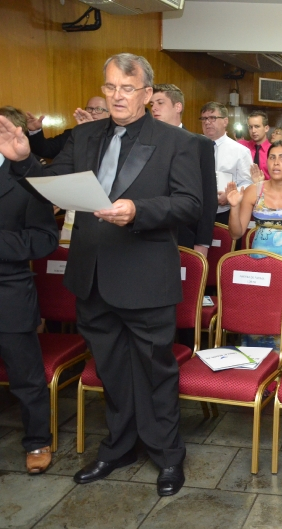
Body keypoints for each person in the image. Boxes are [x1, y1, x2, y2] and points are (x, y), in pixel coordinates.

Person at [1, 53, 203, 496]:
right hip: (91, 275)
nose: (117, 96)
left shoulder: (177, 142)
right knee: (110, 369)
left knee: (155, 371)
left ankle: (168, 455)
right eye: (110, 87)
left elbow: (190, 204)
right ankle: (119, 448)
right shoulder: (85, 135)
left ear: (147, 94)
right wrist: (24, 162)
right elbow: (54, 186)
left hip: (146, 277)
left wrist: (139, 210)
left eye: (127, 88)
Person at [0, 106, 59, 475]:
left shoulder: (26, 177)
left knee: (25, 377)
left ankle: (37, 440)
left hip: (8, 292)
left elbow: (44, 239)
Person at [226, 140, 282, 354]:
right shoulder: (253, 191)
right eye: (272, 157)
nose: (276, 163)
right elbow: (236, 233)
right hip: (259, 271)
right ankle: (256, 368)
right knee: (258, 323)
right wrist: (234, 207)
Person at [151, 83, 216, 257]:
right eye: (152, 104)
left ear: (178, 107)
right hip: (150, 232)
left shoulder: (200, 144)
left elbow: (208, 196)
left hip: (185, 234)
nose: (154, 108)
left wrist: (202, 241)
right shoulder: (146, 143)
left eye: (160, 103)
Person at [200, 101, 253, 225]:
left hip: (225, 212)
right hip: (196, 211)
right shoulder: (192, 146)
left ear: (225, 121)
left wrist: (230, 195)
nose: (207, 122)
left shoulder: (240, 151)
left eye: (212, 118)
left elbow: (248, 183)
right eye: (204, 119)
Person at [25, 97, 109, 160]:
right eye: (90, 109)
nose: (93, 112)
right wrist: (35, 130)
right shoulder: (72, 134)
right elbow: (45, 150)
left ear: (109, 114)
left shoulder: (113, 137)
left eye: (99, 109)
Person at [239, 110, 271, 178]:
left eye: (257, 126)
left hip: (266, 184)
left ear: (266, 128)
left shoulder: (272, 150)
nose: (253, 131)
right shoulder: (242, 146)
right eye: (250, 127)